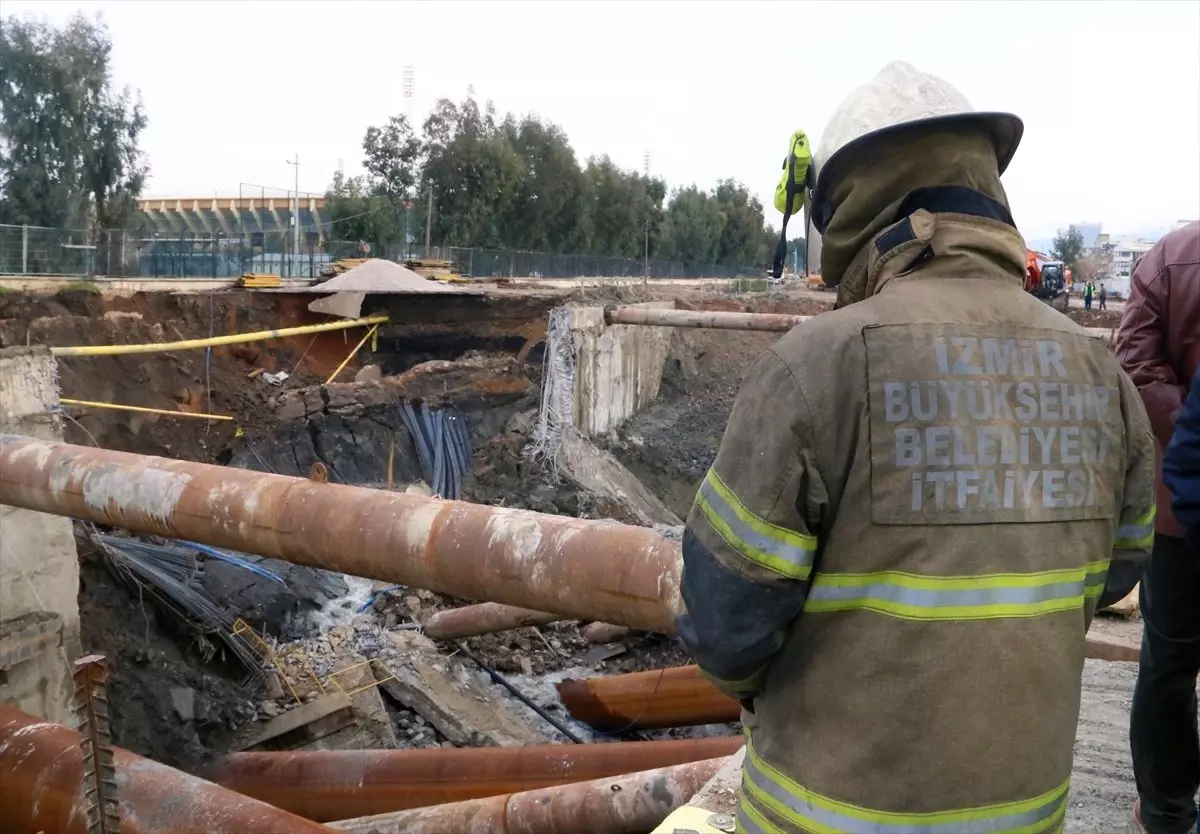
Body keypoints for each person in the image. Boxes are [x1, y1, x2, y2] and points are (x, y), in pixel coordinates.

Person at [676, 60, 1157, 834]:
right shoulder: (1100, 373)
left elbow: (725, 621)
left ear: (848, 208)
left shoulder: (815, 366)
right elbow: (1115, 577)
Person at [1117, 220, 1200, 834]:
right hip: (1180, 497)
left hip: (1178, 505)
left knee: (1168, 662)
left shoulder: (1172, 257)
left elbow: (1136, 372)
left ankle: (1167, 810)